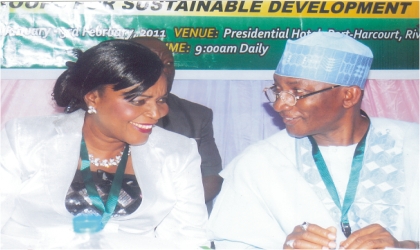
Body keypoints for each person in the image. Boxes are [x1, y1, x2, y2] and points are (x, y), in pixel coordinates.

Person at [207, 32, 419, 249]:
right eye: (277, 91)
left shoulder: (413, 146)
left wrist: (407, 246)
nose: (279, 105)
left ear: (349, 96)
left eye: (296, 92)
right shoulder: (259, 162)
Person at [1, 39, 208, 249]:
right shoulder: (24, 138)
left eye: (161, 100)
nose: (156, 113)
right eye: (138, 101)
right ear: (93, 98)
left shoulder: (177, 152)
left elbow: (189, 239)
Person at [130, 37, 223, 212]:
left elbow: (212, 177)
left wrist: (170, 209)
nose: (164, 70)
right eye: (154, 63)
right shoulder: (114, 114)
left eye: (168, 63)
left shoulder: (197, 116)